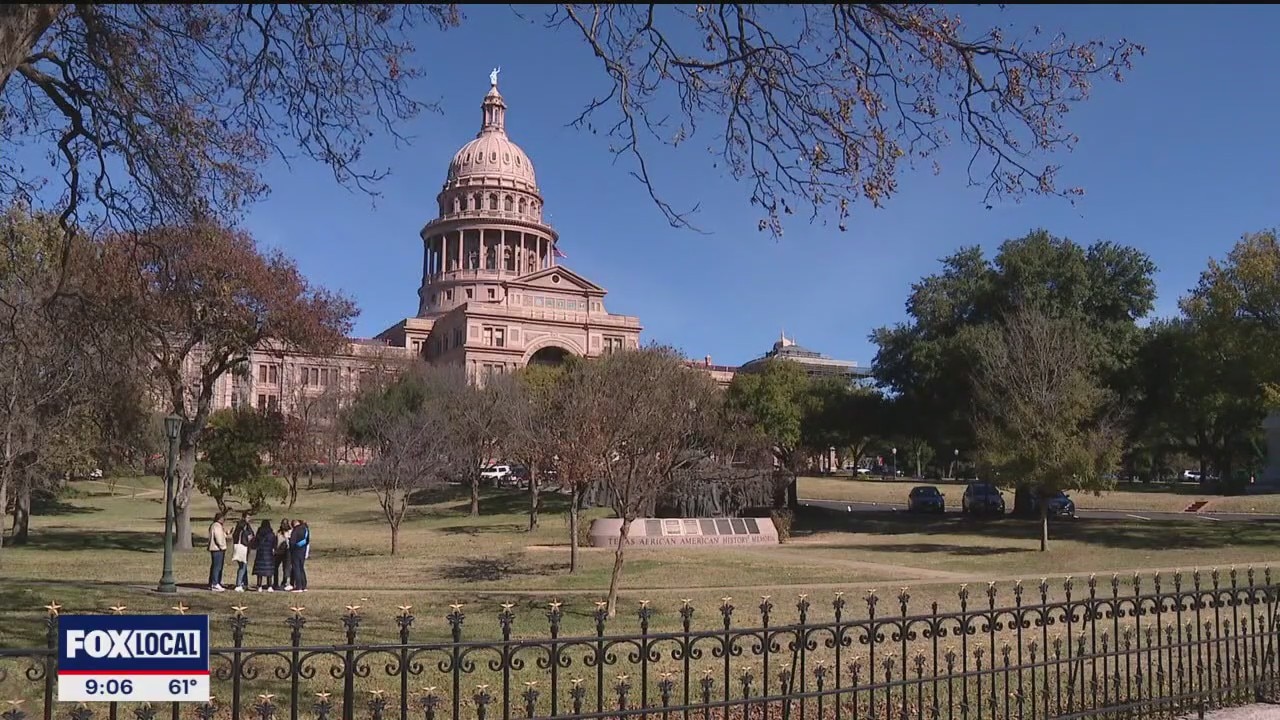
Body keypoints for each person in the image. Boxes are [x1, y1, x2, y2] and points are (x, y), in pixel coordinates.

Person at [231, 512, 254, 592]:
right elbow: (249, 535)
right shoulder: (244, 526)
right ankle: (238, 584)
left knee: (244, 566)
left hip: (238, 547)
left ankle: (244, 583)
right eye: (248, 517)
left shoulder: (239, 525)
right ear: (244, 517)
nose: (249, 519)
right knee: (242, 566)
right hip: (243, 547)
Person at [251, 519, 276, 592]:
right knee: (269, 571)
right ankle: (269, 586)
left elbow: (255, 544)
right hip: (269, 553)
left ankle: (259, 586)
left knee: (260, 571)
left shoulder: (259, 534)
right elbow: (274, 544)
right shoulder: (271, 534)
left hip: (260, 553)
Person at [207, 512, 227, 592]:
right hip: (217, 549)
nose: (224, 520)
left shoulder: (214, 526)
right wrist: (222, 546)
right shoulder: (217, 526)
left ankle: (212, 583)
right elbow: (218, 537)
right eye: (223, 519)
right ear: (220, 519)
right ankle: (215, 583)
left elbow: (221, 535)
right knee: (217, 567)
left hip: (215, 549)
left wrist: (226, 533)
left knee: (214, 566)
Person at [289, 519, 310, 592]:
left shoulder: (295, 530)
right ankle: (304, 586)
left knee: (296, 568)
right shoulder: (305, 529)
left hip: (296, 551)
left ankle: (298, 587)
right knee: (301, 568)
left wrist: (291, 549)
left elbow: (292, 542)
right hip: (303, 551)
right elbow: (307, 541)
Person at [274, 518, 292, 591]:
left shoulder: (290, 532)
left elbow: (290, 542)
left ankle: (284, 582)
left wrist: (286, 536)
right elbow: (276, 541)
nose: (284, 525)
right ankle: (275, 583)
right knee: (275, 567)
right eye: (282, 524)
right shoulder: (278, 532)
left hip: (286, 552)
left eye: (285, 524)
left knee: (286, 568)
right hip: (278, 552)